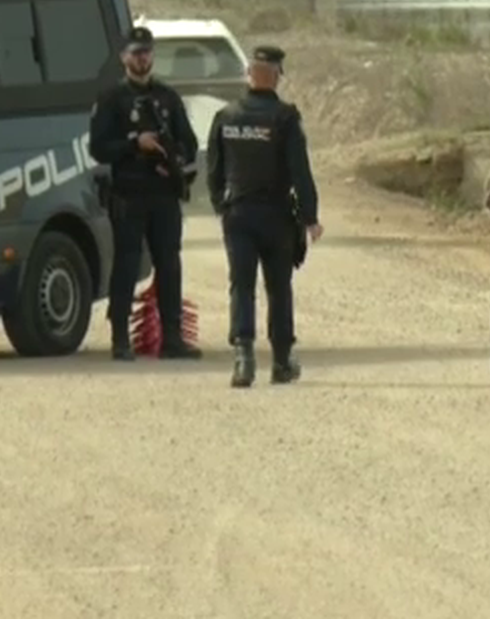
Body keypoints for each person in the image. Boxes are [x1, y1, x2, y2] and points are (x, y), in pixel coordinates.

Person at [206, 45, 322, 389]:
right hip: (275, 216)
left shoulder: (226, 116)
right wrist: (310, 217)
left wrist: (222, 208)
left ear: (249, 75)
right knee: (278, 288)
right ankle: (282, 360)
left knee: (241, 286)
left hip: (238, 214)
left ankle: (243, 359)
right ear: (277, 76)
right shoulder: (285, 118)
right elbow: (300, 172)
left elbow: (213, 171)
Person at [89, 25, 202, 362]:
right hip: (129, 193)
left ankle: (172, 337)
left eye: (147, 53)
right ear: (124, 58)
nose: (142, 59)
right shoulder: (112, 99)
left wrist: (174, 158)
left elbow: (190, 142)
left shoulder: (167, 97)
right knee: (125, 264)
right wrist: (133, 144)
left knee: (169, 263)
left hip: (163, 194)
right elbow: (98, 148)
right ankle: (120, 338)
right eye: (136, 53)